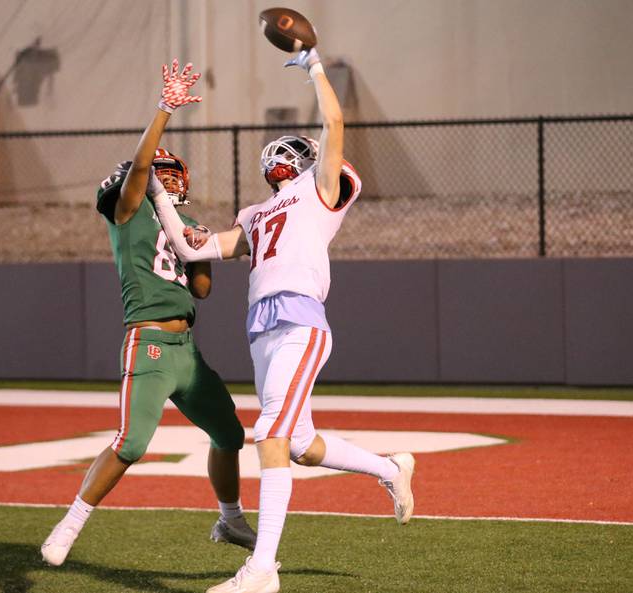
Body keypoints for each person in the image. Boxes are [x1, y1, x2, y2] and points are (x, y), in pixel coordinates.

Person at [149, 48, 415, 593]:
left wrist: (315, 64)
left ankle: (262, 570)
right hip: (263, 332)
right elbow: (190, 246)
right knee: (298, 443)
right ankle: (392, 469)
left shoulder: (321, 189)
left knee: (268, 434)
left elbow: (335, 120)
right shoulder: (256, 213)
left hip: (298, 320)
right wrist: (155, 192)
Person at [40, 59, 256, 567]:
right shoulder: (130, 209)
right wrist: (164, 109)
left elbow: (201, 289)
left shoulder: (187, 221)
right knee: (132, 443)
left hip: (187, 351)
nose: (169, 181)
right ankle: (69, 524)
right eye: (162, 175)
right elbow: (139, 172)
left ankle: (230, 518)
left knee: (229, 433)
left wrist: (199, 248)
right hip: (151, 342)